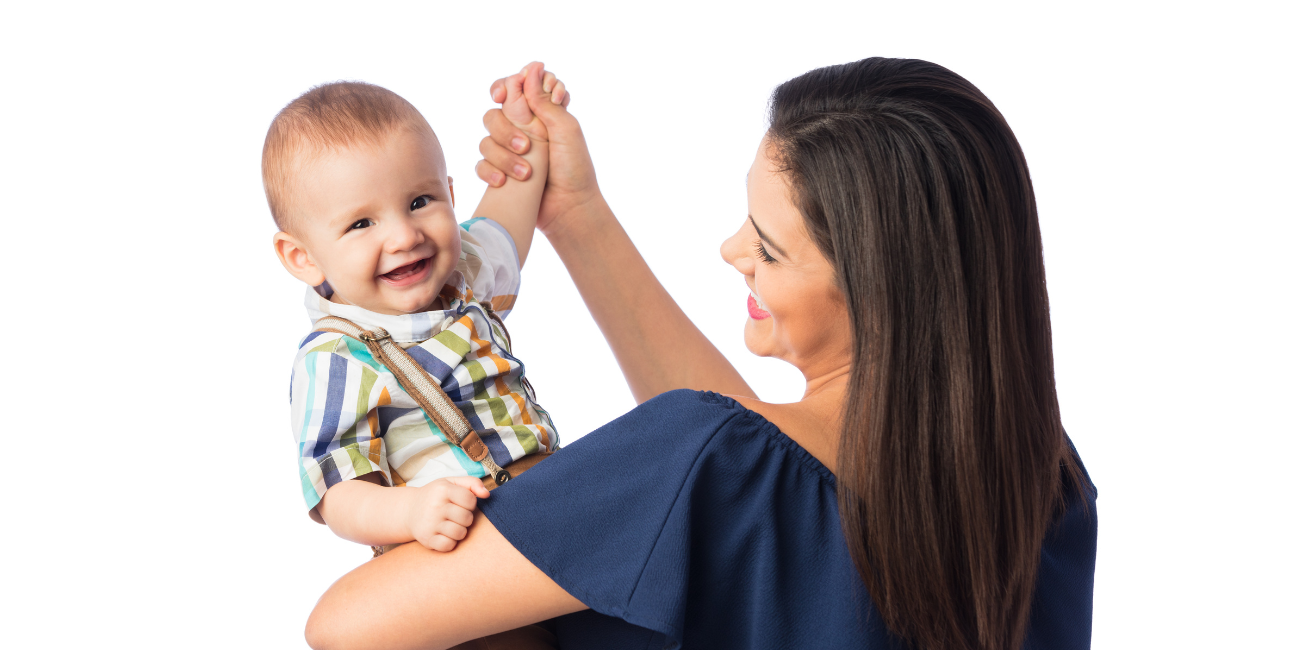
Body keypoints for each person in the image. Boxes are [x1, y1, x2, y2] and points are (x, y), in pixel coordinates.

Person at [304, 58, 1098, 650]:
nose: (731, 250)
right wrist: (576, 217)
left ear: (881, 289)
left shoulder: (711, 464)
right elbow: (756, 470)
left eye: (770, 249)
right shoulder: (1045, 487)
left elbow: (345, 627)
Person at [266, 66, 576, 649]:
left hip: (545, 512)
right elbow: (338, 492)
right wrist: (409, 514)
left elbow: (508, 216)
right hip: (454, 548)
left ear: (451, 196)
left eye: (419, 201)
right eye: (362, 223)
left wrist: (526, 131)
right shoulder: (338, 357)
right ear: (304, 257)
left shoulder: (463, 278)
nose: (404, 235)